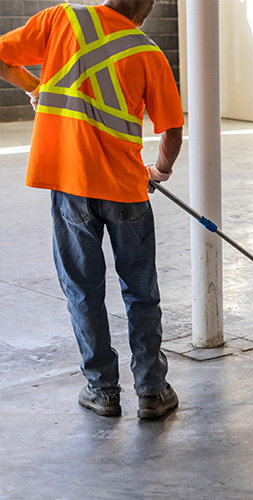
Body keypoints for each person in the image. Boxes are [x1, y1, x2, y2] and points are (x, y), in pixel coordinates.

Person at [0, 0, 184, 419]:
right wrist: (159, 170)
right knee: (141, 292)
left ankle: (103, 392)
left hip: (71, 187)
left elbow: (1, 57)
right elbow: (172, 129)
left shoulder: (61, 19)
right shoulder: (148, 52)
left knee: (83, 290)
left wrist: (35, 88)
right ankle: (152, 392)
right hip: (127, 191)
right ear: (147, 8)